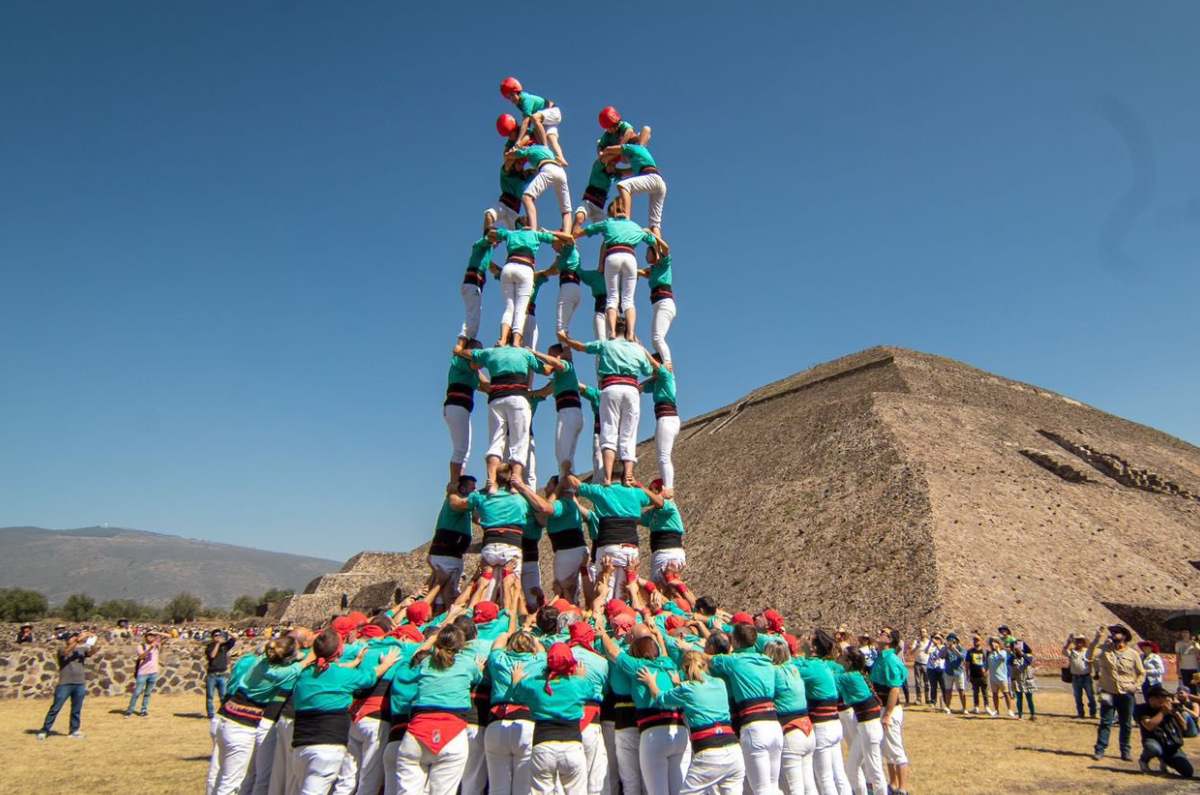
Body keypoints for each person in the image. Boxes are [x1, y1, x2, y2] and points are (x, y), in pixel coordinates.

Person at [290, 627, 401, 795]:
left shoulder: (304, 675)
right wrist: (386, 663)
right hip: (327, 746)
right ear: (339, 651)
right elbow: (370, 676)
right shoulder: (343, 675)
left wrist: (354, 662)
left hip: (300, 746)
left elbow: (327, 670)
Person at [207, 636, 312, 795]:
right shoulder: (276, 674)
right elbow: (300, 665)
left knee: (222, 775)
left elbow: (292, 659)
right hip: (241, 727)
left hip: (226, 718)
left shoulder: (261, 661)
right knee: (232, 783)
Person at [454, 338, 561, 488]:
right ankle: (516, 479)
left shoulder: (491, 352)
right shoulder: (524, 353)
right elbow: (547, 370)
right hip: (517, 397)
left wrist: (459, 350)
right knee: (520, 443)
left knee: (495, 442)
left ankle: (491, 480)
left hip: (496, 399)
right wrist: (550, 358)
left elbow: (470, 354)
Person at [558, 325, 655, 485]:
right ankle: (628, 476)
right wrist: (641, 348)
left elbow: (582, 347)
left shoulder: (606, 344)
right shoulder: (636, 348)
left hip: (610, 387)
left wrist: (566, 340)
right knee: (628, 434)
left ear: (613, 331)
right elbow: (648, 370)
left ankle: (608, 477)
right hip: (631, 388)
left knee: (608, 431)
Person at [394, 625, 484, 795]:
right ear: (461, 645)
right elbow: (477, 676)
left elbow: (408, 669)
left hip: (417, 732)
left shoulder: (425, 662)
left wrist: (429, 642)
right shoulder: (467, 663)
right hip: (453, 733)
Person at [641, 649, 745, 794]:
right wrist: (681, 684)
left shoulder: (687, 688)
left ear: (684, 668)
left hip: (709, 752)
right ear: (704, 665)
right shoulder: (720, 683)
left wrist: (651, 682)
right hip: (734, 751)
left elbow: (661, 699)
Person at [569, 201, 665, 340]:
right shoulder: (635, 226)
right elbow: (653, 241)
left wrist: (575, 234)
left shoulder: (608, 223)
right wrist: (651, 239)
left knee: (612, 298)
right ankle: (631, 333)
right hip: (630, 257)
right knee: (628, 300)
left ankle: (613, 332)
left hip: (613, 256)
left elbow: (586, 231)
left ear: (613, 212)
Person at [706, 622, 782, 794]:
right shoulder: (766, 661)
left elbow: (708, 659)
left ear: (736, 641)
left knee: (761, 789)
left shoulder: (734, 661)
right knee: (773, 786)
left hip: (754, 727)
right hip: (774, 725)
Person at [511, 643, 591, 794]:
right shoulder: (578, 684)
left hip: (543, 746)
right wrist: (580, 678)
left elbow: (516, 694)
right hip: (572, 746)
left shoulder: (534, 685)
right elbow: (591, 692)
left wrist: (515, 680)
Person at [568, 474, 664, 600]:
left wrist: (566, 469)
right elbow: (660, 502)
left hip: (608, 547)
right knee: (626, 594)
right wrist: (640, 486)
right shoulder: (635, 493)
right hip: (630, 549)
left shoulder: (601, 490)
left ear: (607, 475)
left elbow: (573, 482)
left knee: (604, 593)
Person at [800, 629, 853, 795]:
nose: (805, 641)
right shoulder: (831, 666)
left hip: (822, 725)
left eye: (809, 640)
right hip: (834, 722)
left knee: (824, 778)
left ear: (815, 648)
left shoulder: (812, 666)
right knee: (838, 773)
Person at [1090, 623, 1147, 761]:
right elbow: (1090, 654)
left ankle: (1125, 751)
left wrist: (1135, 686)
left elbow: (1142, 673)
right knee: (1105, 721)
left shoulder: (1133, 654)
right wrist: (1097, 638)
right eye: (1112, 632)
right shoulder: (1105, 650)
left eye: (1117, 632)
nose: (1114, 635)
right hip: (1107, 691)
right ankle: (1100, 749)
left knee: (1126, 723)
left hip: (1126, 693)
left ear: (1125, 636)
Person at [837, 646, 886, 795]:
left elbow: (829, 676)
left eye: (842, 656)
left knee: (874, 771)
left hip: (869, 727)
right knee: (851, 768)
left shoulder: (848, 677)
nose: (838, 658)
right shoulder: (855, 674)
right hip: (864, 727)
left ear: (849, 662)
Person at [37, 629, 98, 739]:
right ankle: (45, 730)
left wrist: (92, 641)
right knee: (55, 708)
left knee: (76, 709)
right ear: (67, 640)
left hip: (79, 683)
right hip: (65, 684)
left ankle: (74, 730)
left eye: (76, 636)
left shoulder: (82, 649)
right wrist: (78, 640)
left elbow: (92, 652)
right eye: (72, 637)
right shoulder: (62, 649)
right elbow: (66, 653)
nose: (75, 638)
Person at [504, 136, 572, 234]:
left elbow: (509, 155)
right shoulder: (546, 149)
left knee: (527, 197)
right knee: (566, 210)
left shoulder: (530, 149)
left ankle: (533, 228)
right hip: (561, 172)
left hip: (547, 169)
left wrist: (514, 150)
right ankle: (567, 232)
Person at [443, 340, 489, 485]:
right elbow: (477, 364)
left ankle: (459, 479)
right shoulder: (459, 360)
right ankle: (454, 483)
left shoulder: (472, 372)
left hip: (461, 408)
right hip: (456, 405)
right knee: (461, 448)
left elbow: (487, 386)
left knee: (465, 448)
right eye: (476, 352)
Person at [428, 476, 478, 610]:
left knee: (443, 590)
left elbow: (477, 518)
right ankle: (441, 618)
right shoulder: (454, 499)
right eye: (472, 489)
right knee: (447, 591)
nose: (475, 491)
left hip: (453, 553)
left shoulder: (468, 506)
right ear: (462, 488)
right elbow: (461, 505)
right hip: (446, 553)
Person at [870, 630, 910, 795]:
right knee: (887, 749)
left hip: (889, 708)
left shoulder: (890, 660)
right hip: (882, 707)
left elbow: (894, 689)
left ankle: (903, 788)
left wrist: (888, 714)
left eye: (884, 633)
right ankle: (893, 784)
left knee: (895, 749)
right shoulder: (881, 657)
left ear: (890, 640)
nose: (879, 633)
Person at [599, 139, 667, 236]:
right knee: (654, 224)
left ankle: (626, 219)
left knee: (623, 186)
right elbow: (625, 172)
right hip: (659, 183)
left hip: (652, 178)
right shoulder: (638, 159)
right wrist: (612, 170)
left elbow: (610, 149)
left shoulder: (633, 147)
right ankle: (658, 249)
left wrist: (602, 154)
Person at [500, 76, 567, 168]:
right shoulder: (520, 103)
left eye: (512, 95)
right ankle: (561, 159)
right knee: (551, 138)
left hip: (553, 112)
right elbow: (527, 125)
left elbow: (526, 121)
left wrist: (518, 142)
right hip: (545, 119)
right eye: (509, 98)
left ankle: (545, 148)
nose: (511, 100)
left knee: (535, 119)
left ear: (517, 91)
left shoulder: (525, 99)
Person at [1136, 684, 1194, 777]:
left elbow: (1185, 727)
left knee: (1188, 772)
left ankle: (1165, 760)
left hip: (1170, 743)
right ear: (1152, 699)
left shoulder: (1172, 708)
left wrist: (1176, 714)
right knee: (1153, 749)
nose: (1164, 701)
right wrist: (1162, 712)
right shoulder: (1142, 708)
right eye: (1161, 698)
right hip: (1153, 740)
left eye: (1165, 698)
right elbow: (1149, 726)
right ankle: (1143, 761)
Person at [642, 357, 679, 492]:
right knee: (661, 457)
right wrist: (652, 378)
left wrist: (639, 346)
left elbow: (656, 366)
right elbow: (639, 387)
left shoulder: (666, 375)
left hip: (667, 419)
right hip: (666, 419)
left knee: (664, 457)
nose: (651, 371)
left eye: (652, 368)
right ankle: (666, 486)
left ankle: (668, 489)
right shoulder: (657, 381)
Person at [638, 245, 676, 367]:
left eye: (648, 252)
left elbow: (666, 248)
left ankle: (667, 363)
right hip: (659, 305)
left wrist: (652, 235)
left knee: (657, 338)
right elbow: (642, 272)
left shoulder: (663, 264)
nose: (646, 256)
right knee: (655, 340)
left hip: (665, 304)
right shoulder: (653, 269)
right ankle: (660, 360)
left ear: (655, 254)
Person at [459, 236, 499, 345]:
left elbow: (492, 266)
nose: (498, 244)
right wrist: (490, 237)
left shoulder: (487, 254)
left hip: (473, 285)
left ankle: (466, 343)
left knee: (475, 316)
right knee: (473, 316)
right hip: (472, 284)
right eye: (497, 240)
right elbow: (478, 244)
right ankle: (461, 345)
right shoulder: (481, 247)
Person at [125, 629, 163, 717]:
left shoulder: (157, 646)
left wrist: (157, 632)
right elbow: (142, 656)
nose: (151, 637)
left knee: (148, 693)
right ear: (145, 637)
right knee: (137, 692)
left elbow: (169, 636)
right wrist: (150, 648)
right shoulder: (141, 646)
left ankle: (144, 710)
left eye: (152, 636)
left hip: (153, 672)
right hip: (143, 673)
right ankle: (130, 710)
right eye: (149, 635)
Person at [1063, 632, 1097, 718]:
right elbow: (1063, 651)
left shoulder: (1087, 651)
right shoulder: (1072, 652)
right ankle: (1080, 713)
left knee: (1091, 696)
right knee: (1078, 697)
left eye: (1081, 641)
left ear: (1084, 642)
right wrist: (1068, 642)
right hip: (1075, 677)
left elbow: (1093, 644)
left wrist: (1098, 635)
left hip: (1086, 677)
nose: (1079, 643)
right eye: (1077, 641)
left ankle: (1093, 713)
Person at [206, 630, 238, 720]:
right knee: (210, 696)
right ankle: (210, 714)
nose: (218, 637)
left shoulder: (225, 646)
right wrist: (217, 644)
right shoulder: (209, 647)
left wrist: (228, 632)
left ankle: (224, 713)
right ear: (212, 637)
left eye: (219, 635)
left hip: (222, 674)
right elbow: (212, 655)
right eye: (216, 635)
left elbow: (235, 637)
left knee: (223, 696)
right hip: (212, 675)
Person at [937, 633, 968, 714]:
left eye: (953, 641)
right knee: (948, 690)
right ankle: (947, 707)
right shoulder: (945, 648)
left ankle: (964, 708)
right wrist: (946, 649)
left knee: (961, 690)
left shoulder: (960, 648)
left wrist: (955, 649)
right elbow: (941, 656)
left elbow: (962, 657)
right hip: (948, 672)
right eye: (949, 640)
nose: (951, 642)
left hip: (959, 672)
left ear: (956, 641)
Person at [985, 637, 1015, 718]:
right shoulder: (989, 654)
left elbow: (1002, 658)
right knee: (995, 694)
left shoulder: (1003, 652)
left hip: (1002, 678)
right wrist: (984, 671)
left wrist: (997, 649)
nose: (993, 644)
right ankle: (996, 711)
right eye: (992, 643)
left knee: (1006, 693)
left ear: (999, 644)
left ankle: (1010, 710)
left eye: (995, 643)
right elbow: (986, 665)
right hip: (993, 678)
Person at [1011, 641, 1037, 721]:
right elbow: (1010, 667)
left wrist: (1021, 653)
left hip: (1027, 680)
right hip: (1018, 680)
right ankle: (1020, 715)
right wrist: (1012, 680)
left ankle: (1033, 715)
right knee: (1019, 698)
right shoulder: (1012, 657)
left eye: (1018, 647)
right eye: (1015, 647)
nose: (1016, 649)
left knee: (1029, 698)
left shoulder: (1028, 655)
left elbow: (1029, 661)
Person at [965, 635, 990, 715]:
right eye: (974, 640)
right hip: (974, 674)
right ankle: (976, 707)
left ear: (981, 641)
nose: (976, 642)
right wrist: (967, 674)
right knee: (975, 692)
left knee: (985, 692)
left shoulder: (985, 652)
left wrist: (987, 671)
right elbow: (967, 664)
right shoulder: (970, 651)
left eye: (977, 640)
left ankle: (987, 707)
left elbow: (988, 663)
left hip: (983, 675)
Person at [912, 629, 932, 706]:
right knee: (918, 682)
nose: (922, 633)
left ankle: (928, 698)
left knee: (927, 682)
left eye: (924, 632)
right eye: (921, 632)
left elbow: (930, 652)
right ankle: (919, 698)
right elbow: (911, 652)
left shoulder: (929, 642)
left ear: (926, 633)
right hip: (917, 663)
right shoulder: (916, 641)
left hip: (926, 664)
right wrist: (917, 647)